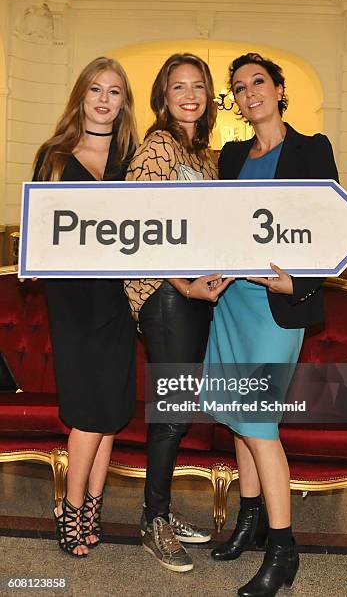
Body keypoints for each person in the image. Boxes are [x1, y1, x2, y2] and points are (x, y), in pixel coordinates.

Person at [206, 53, 339, 597]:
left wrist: (300, 283)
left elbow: (333, 226)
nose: (248, 93)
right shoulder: (232, 155)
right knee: (238, 416)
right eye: (238, 87)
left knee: (259, 423)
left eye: (258, 82)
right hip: (230, 302)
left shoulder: (313, 148)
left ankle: (284, 550)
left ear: (280, 90)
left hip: (276, 307)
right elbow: (214, 224)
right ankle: (250, 521)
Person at [124, 53, 231, 573]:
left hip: (193, 292)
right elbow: (140, 225)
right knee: (170, 412)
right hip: (164, 292)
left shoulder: (204, 156)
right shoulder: (158, 146)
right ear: (162, 97)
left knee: (180, 409)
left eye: (198, 86)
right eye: (177, 86)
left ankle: (159, 508)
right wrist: (186, 284)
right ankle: (154, 520)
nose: (189, 95)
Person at [32, 57, 139, 557]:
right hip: (72, 300)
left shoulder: (131, 161)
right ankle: (70, 511)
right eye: (95, 89)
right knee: (88, 410)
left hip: (118, 298)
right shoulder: (54, 156)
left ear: (124, 103)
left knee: (112, 408)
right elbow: (42, 230)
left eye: (114, 92)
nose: (103, 100)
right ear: (81, 96)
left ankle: (93, 508)